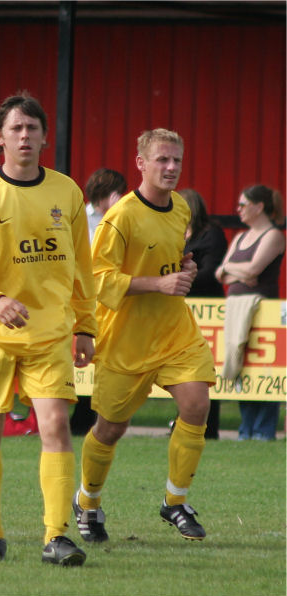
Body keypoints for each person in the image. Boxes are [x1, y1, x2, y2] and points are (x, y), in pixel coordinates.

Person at [0, 93, 97, 566]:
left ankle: (56, 535)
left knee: (55, 424)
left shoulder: (67, 192)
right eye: (16, 129)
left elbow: (83, 266)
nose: (25, 137)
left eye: (33, 129)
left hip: (50, 329)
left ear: (45, 138)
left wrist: (86, 324)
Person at [74, 128, 215, 545]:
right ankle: (88, 501)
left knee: (197, 403)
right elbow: (98, 279)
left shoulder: (181, 211)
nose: (170, 168)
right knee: (110, 429)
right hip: (126, 338)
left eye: (176, 161)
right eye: (162, 160)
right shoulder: (120, 217)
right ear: (141, 164)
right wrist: (157, 284)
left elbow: (173, 262)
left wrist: (185, 270)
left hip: (174, 330)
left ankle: (175, 502)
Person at [215, 185, 285, 441]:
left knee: (265, 367)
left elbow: (254, 270)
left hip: (261, 310)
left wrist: (231, 270)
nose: (239, 210)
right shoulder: (240, 238)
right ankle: (246, 429)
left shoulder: (273, 235)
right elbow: (219, 272)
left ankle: (263, 431)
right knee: (241, 364)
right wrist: (235, 270)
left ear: (259, 206)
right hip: (236, 308)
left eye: (243, 205)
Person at [71, 167, 127, 436]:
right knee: (81, 355)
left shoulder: (122, 218)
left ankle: (97, 413)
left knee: (105, 356)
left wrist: (116, 215)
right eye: (114, 193)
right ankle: (79, 414)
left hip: (109, 296)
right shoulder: (81, 216)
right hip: (83, 296)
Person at [178, 188, 227, 439]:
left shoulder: (211, 234)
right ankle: (181, 421)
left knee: (206, 365)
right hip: (181, 305)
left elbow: (212, 270)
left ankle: (208, 425)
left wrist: (182, 277)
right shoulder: (174, 231)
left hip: (207, 305)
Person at [85, 167, 127, 244]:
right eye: (116, 193)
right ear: (102, 192)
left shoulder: (122, 216)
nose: (119, 198)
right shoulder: (84, 216)